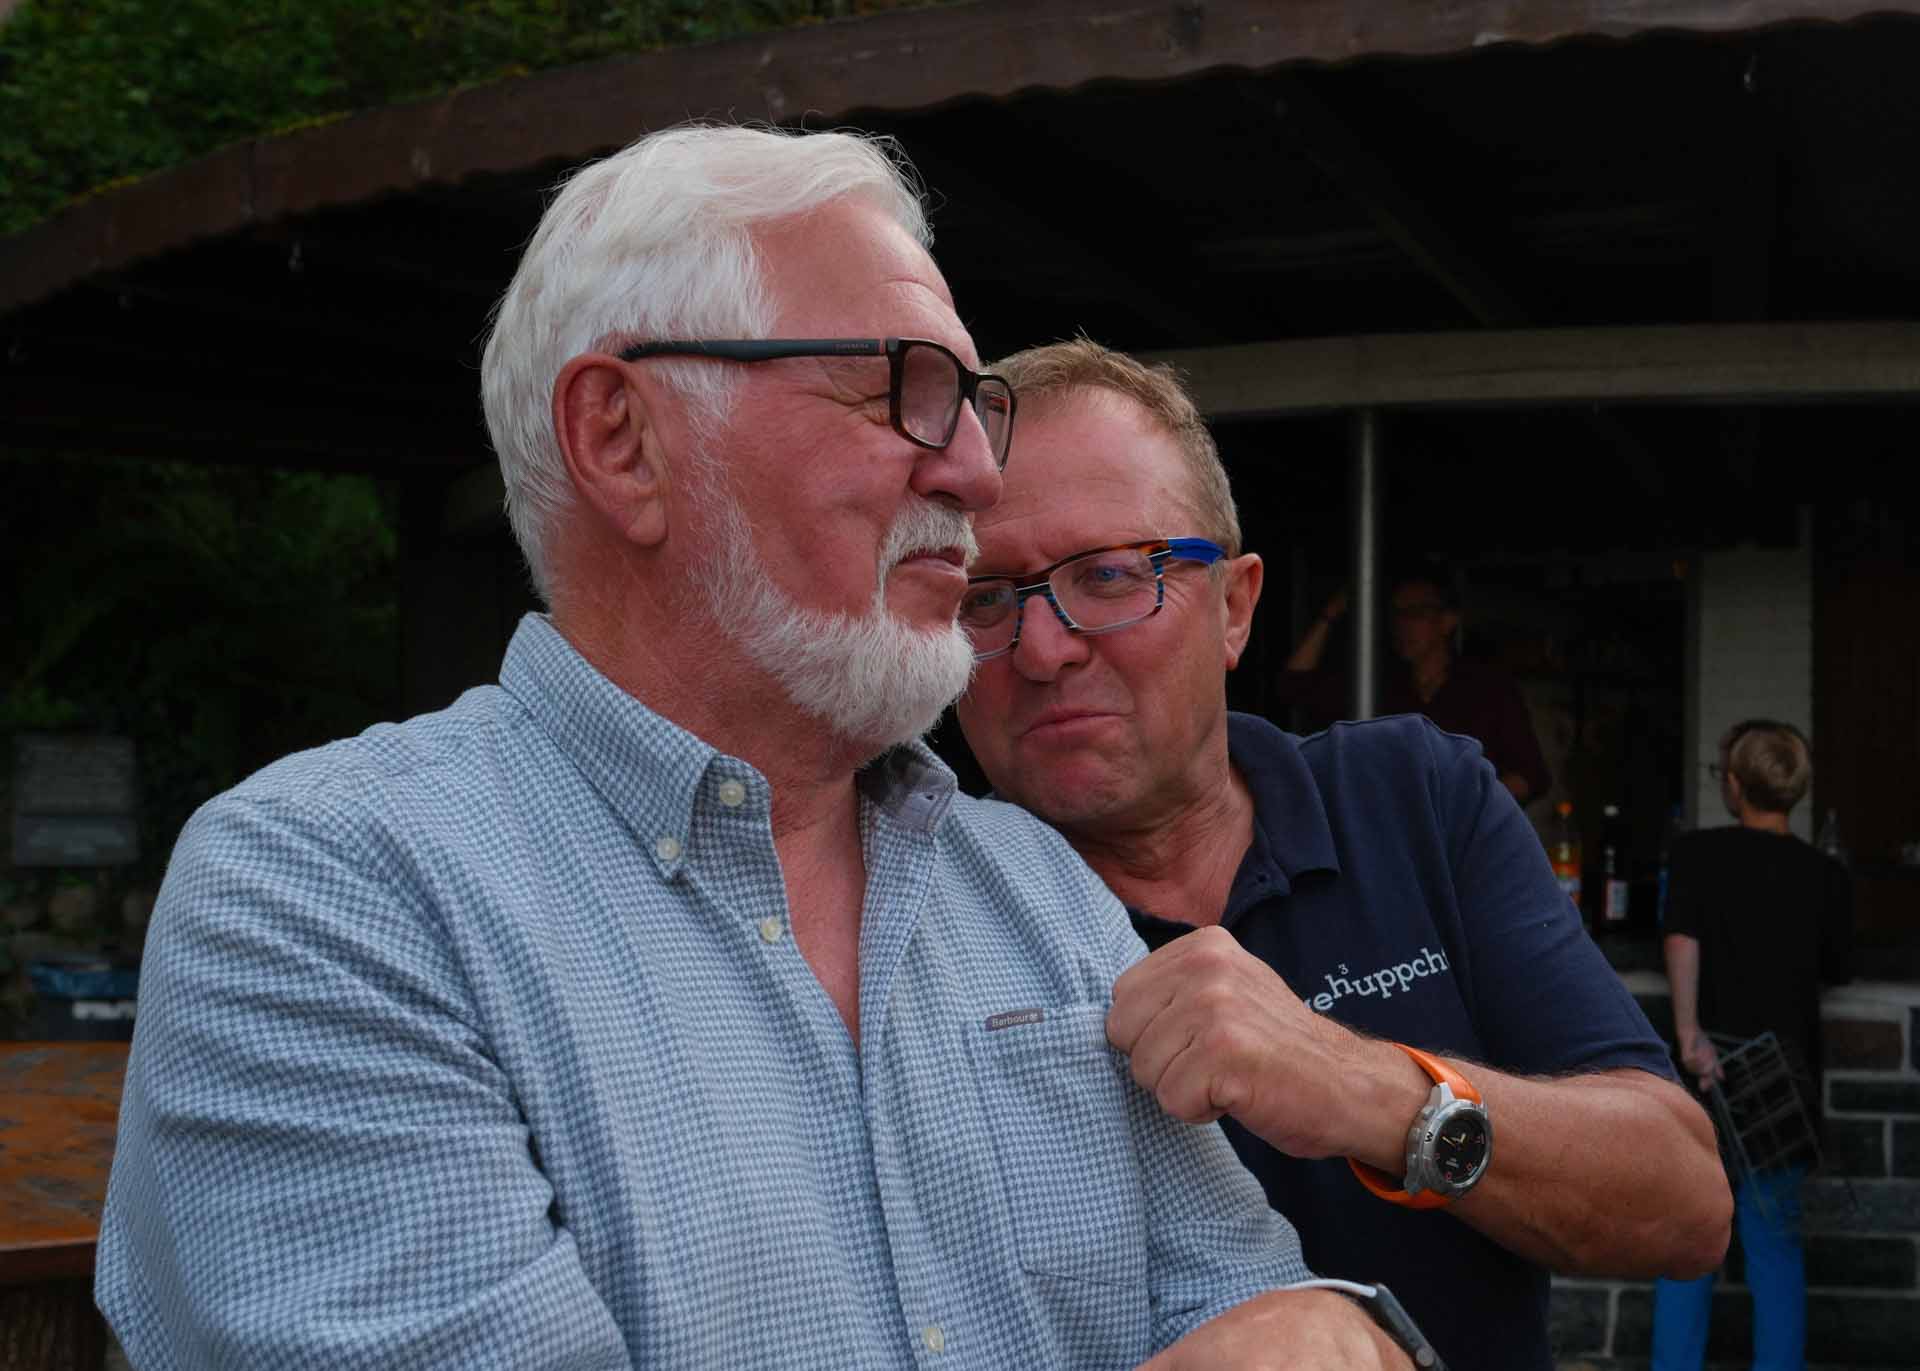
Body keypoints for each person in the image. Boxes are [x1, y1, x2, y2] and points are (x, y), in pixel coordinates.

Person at [94, 126, 1414, 1370]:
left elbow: (1245, 1298)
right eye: (904, 390)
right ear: (624, 442)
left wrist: (1326, 1324)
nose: (974, 471)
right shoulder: (326, 899)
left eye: (972, 405)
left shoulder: (1033, 887)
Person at [951, 338, 1732, 1370]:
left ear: (1233, 607)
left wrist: (1365, 1091)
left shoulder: (1413, 797)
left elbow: (1683, 1205)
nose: (1044, 648)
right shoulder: (915, 916)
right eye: (986, 597)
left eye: (1107, 575)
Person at [1653, 719, 1853, 1371]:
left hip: (1708, 1073)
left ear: (1735, 785)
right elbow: (1839, 967)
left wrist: (1689, 1036)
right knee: (1776, 1250)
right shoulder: (1825, 874)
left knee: (1688, 1245)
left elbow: (1680, 939)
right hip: (1784, 1083)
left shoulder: (1697, 854)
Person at [1277, 567, 1551, 805]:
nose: (1403, 625)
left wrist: (1466, 805)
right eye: (1397, 614)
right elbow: (1294, 686)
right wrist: (1331, 613)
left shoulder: (1487, 687)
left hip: (1466, 841)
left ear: (1447, 620)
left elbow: (1531, 775)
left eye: (1416, 613)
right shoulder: (1381, 686)